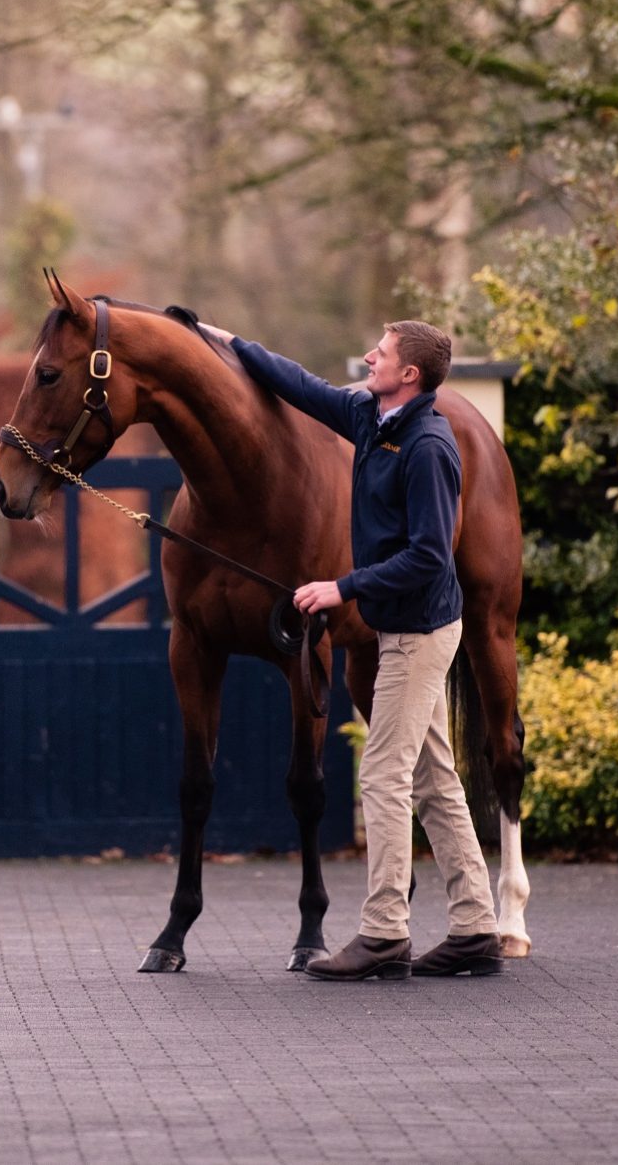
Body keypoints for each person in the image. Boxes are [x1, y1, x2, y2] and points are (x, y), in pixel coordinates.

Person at [208, 319, 501, 980]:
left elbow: (429, 555)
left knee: (384, 773)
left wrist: (341, 587)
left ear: (410, 376)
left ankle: (383, 931)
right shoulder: (372, 416)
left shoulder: (428, 446)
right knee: (432, 776)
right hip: (400, 624)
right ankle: (477, 926)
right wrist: (231, 343)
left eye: (383, 352)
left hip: (420, 633)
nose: (370, 356)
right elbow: (302, 387)